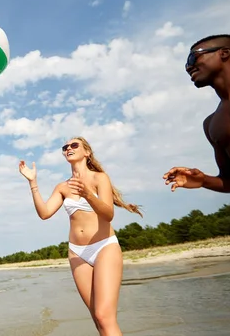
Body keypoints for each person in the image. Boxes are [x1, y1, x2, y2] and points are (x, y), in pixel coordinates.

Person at [19, 137, 142, 336]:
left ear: (87, 152)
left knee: (104, 316)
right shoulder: (62, 187)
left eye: (74, 145)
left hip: (104, 247)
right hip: (77, 253)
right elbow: (44, 213)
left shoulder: (99, 178)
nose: (68, 148)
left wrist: (87, 194)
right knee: (97, 318)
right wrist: (33, 182)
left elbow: (108, 214)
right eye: (65, 147)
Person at [163, 35, 230, 193]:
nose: (188, 67)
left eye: (193, 58)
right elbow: (228, 181)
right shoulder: (212, 123)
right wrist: (203, 180)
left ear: (224, 53)